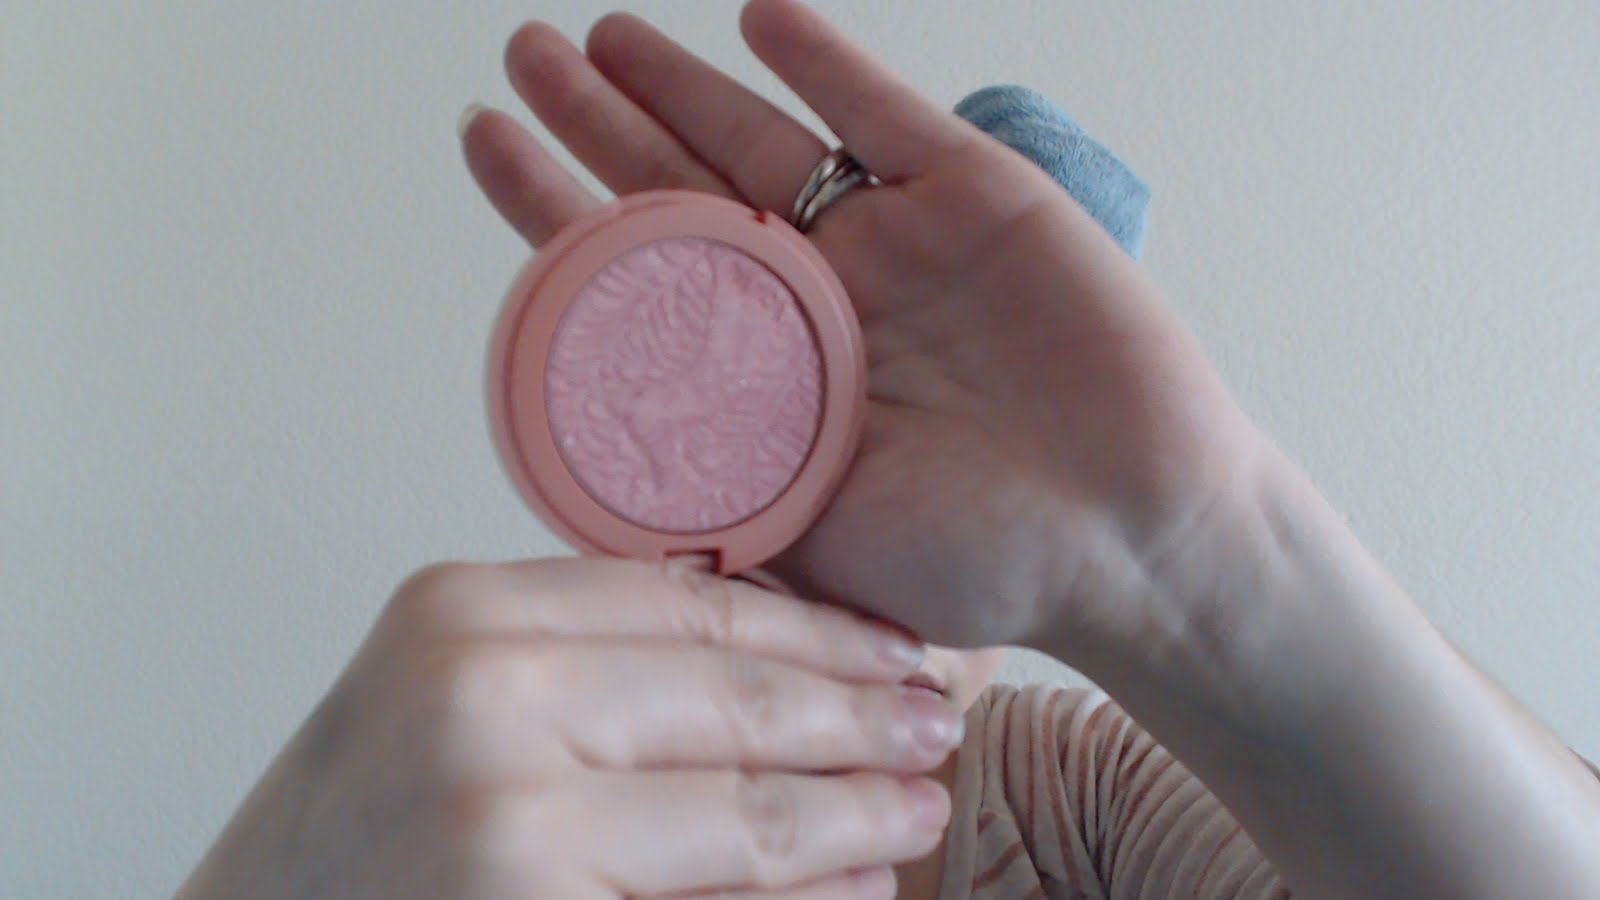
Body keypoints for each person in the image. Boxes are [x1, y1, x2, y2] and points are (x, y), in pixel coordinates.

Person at [175, 2, 1600, 898]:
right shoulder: (484, 804)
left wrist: (1202, 560)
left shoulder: (1069, 805)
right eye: (789, 427)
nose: (879, 587)